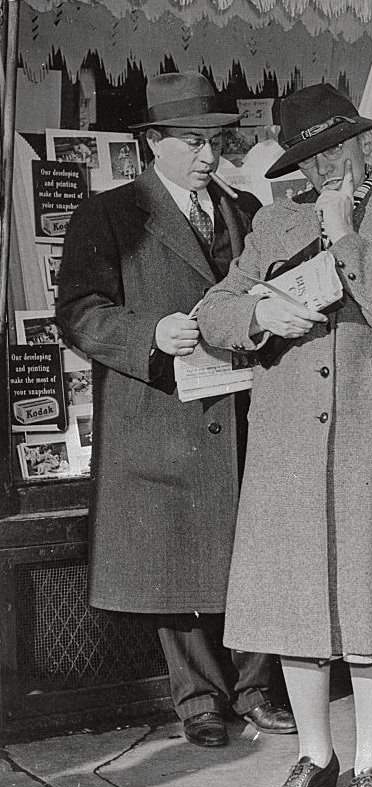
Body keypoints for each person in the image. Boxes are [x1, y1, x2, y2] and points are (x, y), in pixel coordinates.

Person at [195, 83, 372, 787]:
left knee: (369, 596)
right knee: (297, 604)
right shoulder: (274, 221)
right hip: (287, 440)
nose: (332, 165)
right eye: (315, 155)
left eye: (344, 147)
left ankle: (371, 760)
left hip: (370, 433)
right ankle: (315, 754)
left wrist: (345, 239)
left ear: (369, 144)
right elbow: (214, 310)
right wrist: (259, 313)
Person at [56, 72, 295, 749]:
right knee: (176, 558)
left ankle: (254, 689)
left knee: (252, 551)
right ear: (150, 143)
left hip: (244, 407)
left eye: (216, 141)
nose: (207, 155)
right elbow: (77, 313)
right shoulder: (105, 216)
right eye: (191, 142)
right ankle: (198, 699)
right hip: (161, 411)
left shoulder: (245, 210)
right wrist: (149, 334)